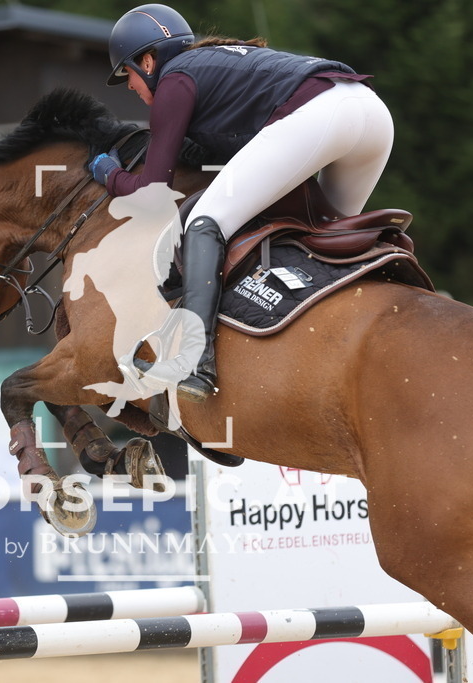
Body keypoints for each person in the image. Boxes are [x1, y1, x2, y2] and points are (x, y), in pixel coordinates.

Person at [89, 3, 394, 402]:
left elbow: (153, 192)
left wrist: (108, 174)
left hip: (324, 115)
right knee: (327, 240)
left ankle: (193, 360)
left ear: (148, 60)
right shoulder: (207, 66)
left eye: (127, 73)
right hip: (371, 114)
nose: (130, 85)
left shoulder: (175, 80)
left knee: (204, 222)